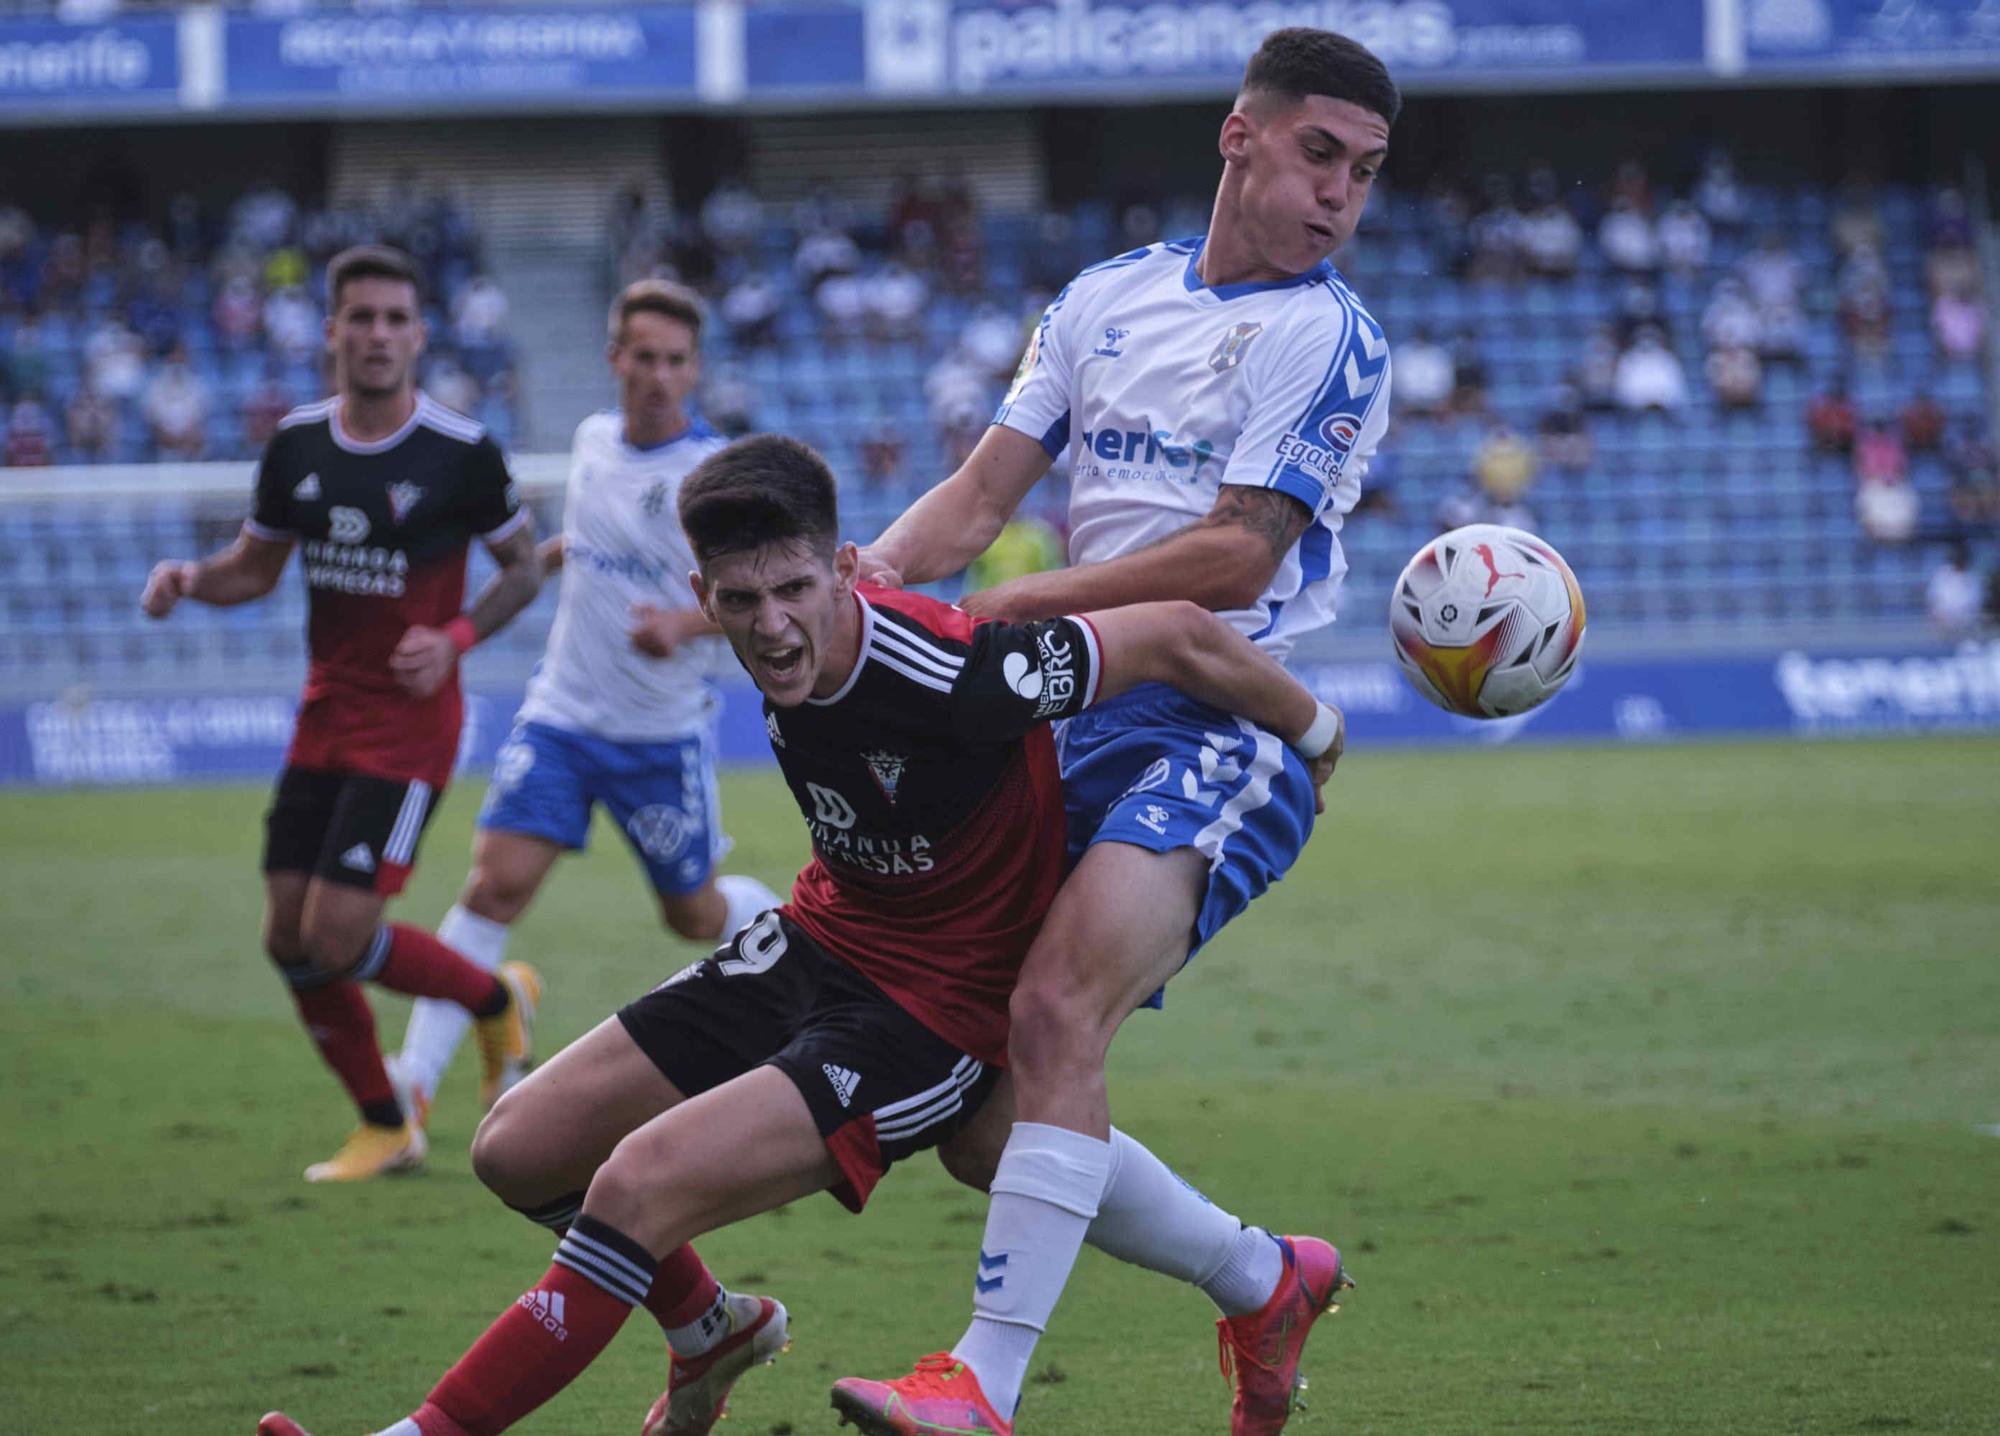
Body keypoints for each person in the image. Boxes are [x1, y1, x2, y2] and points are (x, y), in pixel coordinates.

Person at [255, 432, 1346, 1436]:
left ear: (842, 570)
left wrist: (1316, 729)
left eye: (793, 589)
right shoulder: (770, 641)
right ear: (701, 595)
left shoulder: (956, 670)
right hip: (818, 940)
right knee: (518, 1147)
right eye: (741, 598)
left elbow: (1172, 633)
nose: (772, 624)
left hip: (925, 1017)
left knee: (636, 1183)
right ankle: (708, 1326)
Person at [842, 28, 1395, 1436]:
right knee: (986, 1116)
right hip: (1067, 718)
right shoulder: (1103, 300)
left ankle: (981, 1383)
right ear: (1240, 137)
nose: (1341, 193)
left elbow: (1235, 560)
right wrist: (852, 598)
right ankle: (1262, 1278)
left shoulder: (1329, 338)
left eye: (1366, 172)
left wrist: (1028, 602)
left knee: (1051, 1013)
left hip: (1220, 724)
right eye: (1320, 153)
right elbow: (971, 501)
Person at [139, 245, 544, 1184]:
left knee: (337, 935)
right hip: (324, 717)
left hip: (410, 729)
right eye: (359, 317)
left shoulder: (462, 454)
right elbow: (255, 566)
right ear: (330, 332)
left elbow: (523, 569)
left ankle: (489, 999)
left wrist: (454, 638)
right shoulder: (298, 447)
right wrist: (191, 582)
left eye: (394, 318)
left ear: (419, 333)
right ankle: (385, 1122)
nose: (376, 335)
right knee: (287, 935)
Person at [387, 279, 782, 1129]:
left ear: (695, 370)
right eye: (643, 357)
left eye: (676, 361)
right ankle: (410, 1083)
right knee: (494, 889)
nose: (658, 375)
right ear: (615, 359)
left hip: (658, 738)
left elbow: (766, 599)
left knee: (693, 915)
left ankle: (790, 934)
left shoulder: (715, 483)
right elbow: (602, 533)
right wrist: (568, 552)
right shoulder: (592, 439)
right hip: (561, 718)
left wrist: (684, 623)